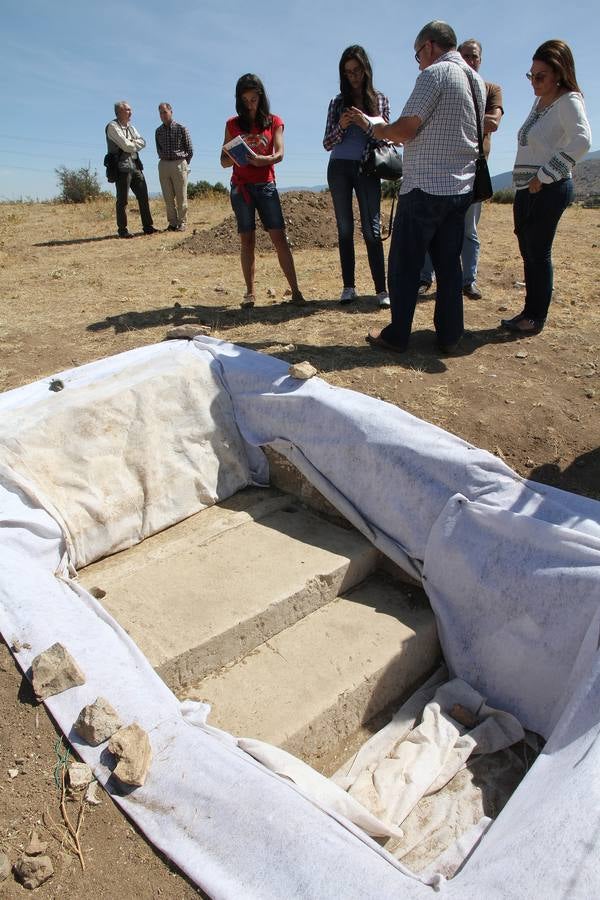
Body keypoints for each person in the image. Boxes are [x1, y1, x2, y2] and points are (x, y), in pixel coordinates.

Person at [357, 21, 485, 354]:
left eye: (418, 55)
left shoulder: (434, 75)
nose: (418, 62)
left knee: (404, 264)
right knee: (448, 265)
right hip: (460, 190)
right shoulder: (476, 82)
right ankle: (449, 334)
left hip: (425, 188)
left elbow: (406, 129)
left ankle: (397, 334)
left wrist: (379, 129)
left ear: (428, 46)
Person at [502, 39, 591, 335]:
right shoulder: (541, 101)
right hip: (528, 189)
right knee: (529, 252)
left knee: (538, 253)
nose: (534, 82)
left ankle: (536, 317)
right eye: (531, 76)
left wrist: (545, 175)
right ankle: (528, 312)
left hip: (549, 189)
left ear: (558, 73)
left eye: (540, 76)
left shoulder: (569, 101)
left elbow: (582, 140)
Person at [418, 39, 504, 300]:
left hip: (474, 168)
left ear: (481, 59)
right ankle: (425, 277)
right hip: (443, 167)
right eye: (465, 55)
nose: (470, 60)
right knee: (433, 228)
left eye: (474, 56)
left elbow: (494, 122)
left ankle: (469, 281)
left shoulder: (490, 89)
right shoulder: (449, 80)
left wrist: (458, 116)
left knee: (469, 229)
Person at [220, 73, 305, 308]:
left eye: (253, 99)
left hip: (266, 186)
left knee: (279, 238)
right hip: (241, 189)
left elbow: (279, 153)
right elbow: (223, 161)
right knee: (247, 240)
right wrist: (235, 156)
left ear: (261, 97)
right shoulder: (232, 124)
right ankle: (249, 293)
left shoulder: (274, 121)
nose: (250, 104)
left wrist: (261, 159)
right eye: (245, 100)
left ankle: (296, 291)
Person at [323, 45, 391, 308]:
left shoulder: (381, 99)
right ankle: (348, 287)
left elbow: (387, 138)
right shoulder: (336, 103)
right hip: (338, 167)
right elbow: (327, 143)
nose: (353, 76)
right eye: (348, 72)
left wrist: (366, 123)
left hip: (368, 168)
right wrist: (342, 125)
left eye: (357, 70)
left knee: (372, 230)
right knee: (344, 229)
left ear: (366, 69)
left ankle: (381, 290)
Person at [105, 101, 158, 239]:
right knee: (122, 200)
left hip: (135, 164)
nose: (131, 112)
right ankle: (122, 230)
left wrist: (132, 143)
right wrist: (133, 143)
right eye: (127, 110)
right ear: (119, 112)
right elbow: (126, 146)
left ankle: (148, 227)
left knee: (143, 196)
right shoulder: (112, 126)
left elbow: (143, 142)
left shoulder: (131, 127)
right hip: (122, 166)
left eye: (130, 109)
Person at [156, 103, 193, 232]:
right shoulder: (158, 131)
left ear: (171, 112)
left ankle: (182, 222)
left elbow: (189, 149)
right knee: (168, 196)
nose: (163, 115)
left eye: (165, 112)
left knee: (181, 195)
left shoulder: (181, 128)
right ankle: (172, 223)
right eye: (160, 113)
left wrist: (184, 163)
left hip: (179, 163)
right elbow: (158, 149)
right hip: (164, 164)